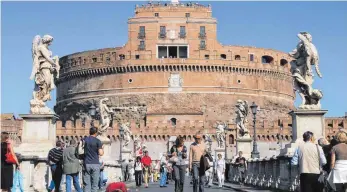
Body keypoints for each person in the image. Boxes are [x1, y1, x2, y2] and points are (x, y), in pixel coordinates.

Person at [83, 127, 104, 192]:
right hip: (95, 163)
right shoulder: (98, 141)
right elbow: (101, 153)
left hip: (86, 164)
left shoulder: (84, 140)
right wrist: (102, 149)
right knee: (94, 185)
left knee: (87, 184)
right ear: (96, 133)